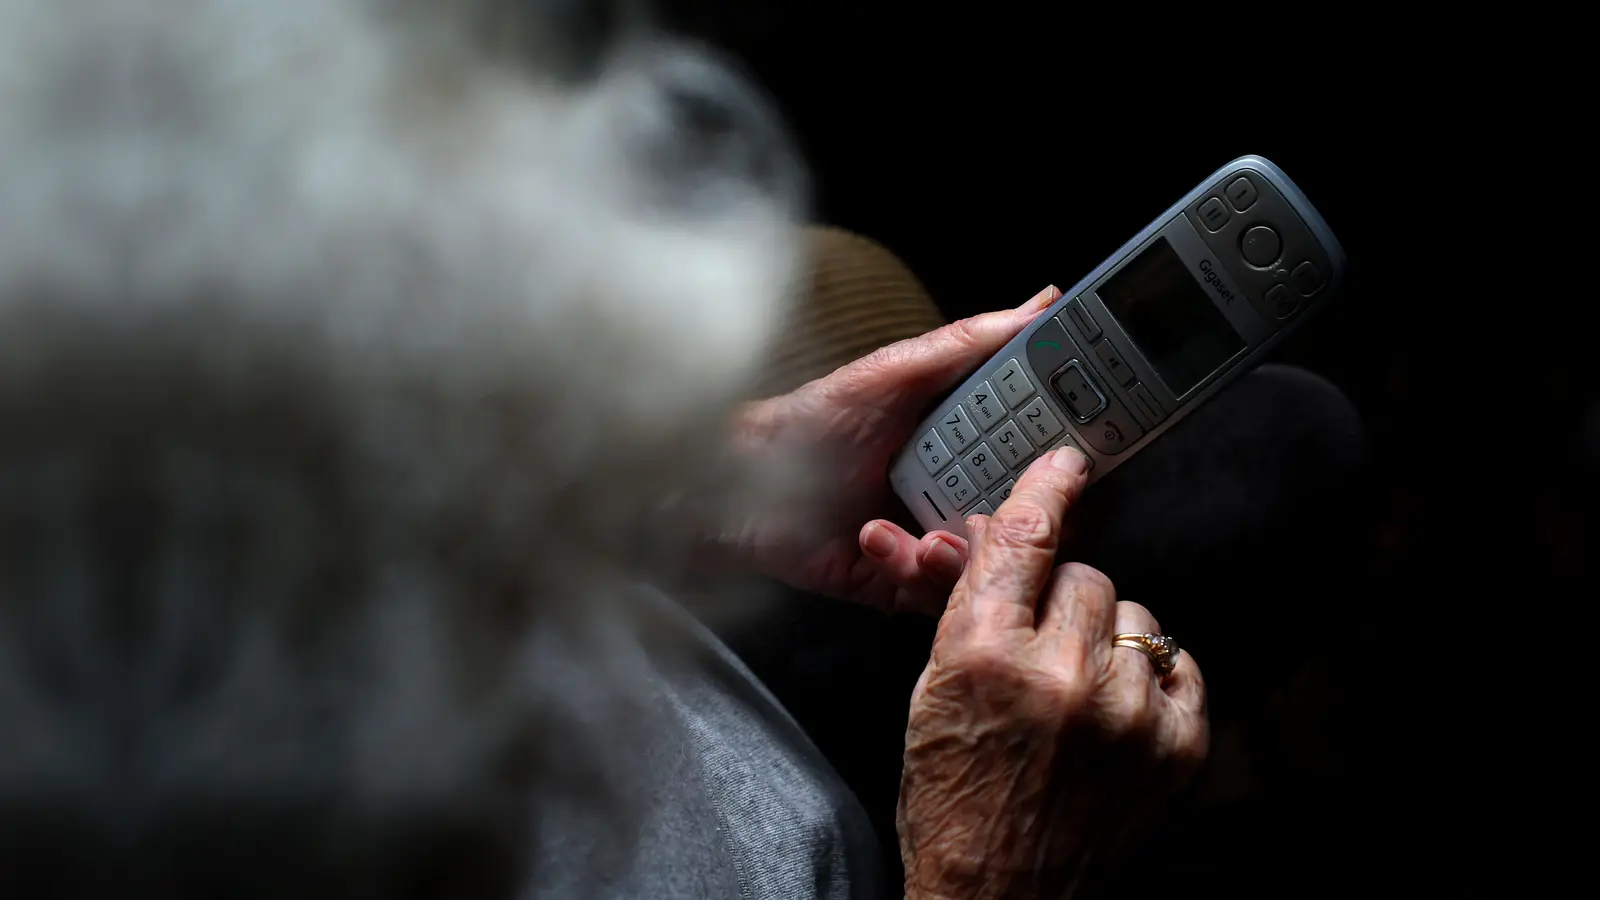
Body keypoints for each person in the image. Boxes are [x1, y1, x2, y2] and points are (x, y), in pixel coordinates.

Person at [0, 2, 1359, 898]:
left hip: (670, 664)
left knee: (1285, 444)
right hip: (863, 855)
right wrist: (979, 865)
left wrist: (692, 491)